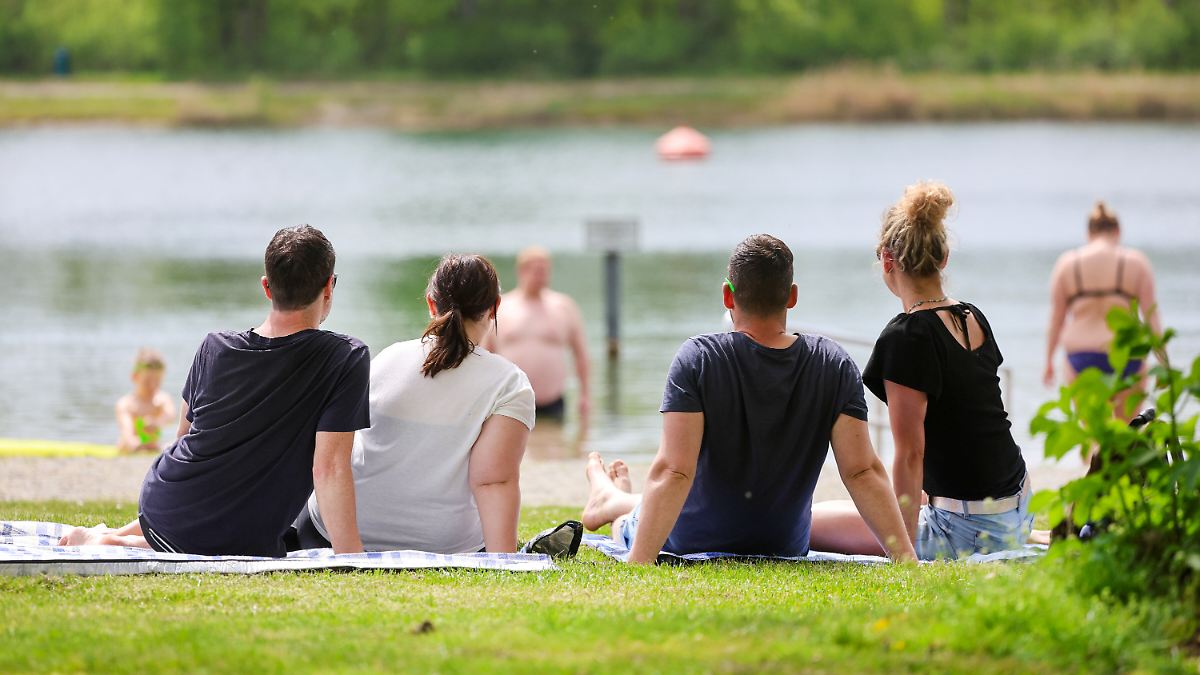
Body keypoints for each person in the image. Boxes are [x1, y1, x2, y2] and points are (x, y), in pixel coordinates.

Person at [581, 234, 916, 564]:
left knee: (629, 525)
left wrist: (638, 562)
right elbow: (862, 471)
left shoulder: (698, 358)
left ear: (728, 296)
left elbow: (673, 470)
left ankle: (614, 504)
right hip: (783, 544)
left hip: (689, 539)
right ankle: (613, 498)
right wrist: (906, 559)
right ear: (792, 296)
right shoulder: (834, 363)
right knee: (644, 509)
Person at [59, 225, 369, 556]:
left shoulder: (215, 346)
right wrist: (351, 556)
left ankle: (111, 537)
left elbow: (184, 439)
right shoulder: (345, 358)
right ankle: (111, 538)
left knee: (194, 515)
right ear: (328, 287)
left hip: (167, 498)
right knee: (206, 526)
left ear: (266, 287)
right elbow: (329, 468)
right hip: (232, 529)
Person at [809, 181, 1032, 560]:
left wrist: (903, 551)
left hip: (966, 529)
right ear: (943, 258)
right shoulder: (972, 316)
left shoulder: (906, 336)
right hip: (1017, 506)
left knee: (805, 523)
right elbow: (969, 424)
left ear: (887, 261)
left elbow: (910, 454)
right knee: (836, 514)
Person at [294, 254, 535, 554]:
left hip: (338, 531)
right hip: (444, 544)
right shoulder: (510, 384)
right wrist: (504, 562)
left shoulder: (387, 359)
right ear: (495, 307)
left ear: (431, 304)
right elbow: (493, 481)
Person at [1044, 201, 1160, 401]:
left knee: (1090, 430)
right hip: (1127, 355)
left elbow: (1057, 319)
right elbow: (1151, 316)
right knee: (1127, 428)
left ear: (1088, 233)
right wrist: (1163, 362)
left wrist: (1048, 362)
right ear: (1118, 231)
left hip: (1081, 356)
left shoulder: (1067, 263)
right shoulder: (1136, 262)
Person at [482, 246, 589, 423]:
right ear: (522, 271)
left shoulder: (564, 307)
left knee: (553, 446)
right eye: (538, 270)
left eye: (546, 270)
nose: (542, 275)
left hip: (552, 400)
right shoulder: (502, 307)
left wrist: (585, 395)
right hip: (509, 399)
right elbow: (485, 355)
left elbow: (581, 355)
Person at [115, 347, 176, 453]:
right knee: (128, 443)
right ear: (135, 377)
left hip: (152, 446)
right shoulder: (126, 404)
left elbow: (170, 415)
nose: (152, 385)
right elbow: (127, 433)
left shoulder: (162, 400)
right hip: (129, 447)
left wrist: (157, 423)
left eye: (157, 381)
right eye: (147, 381)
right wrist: (138, 444)